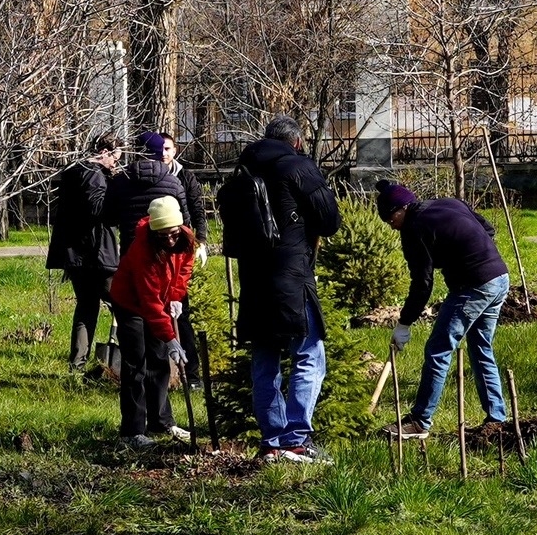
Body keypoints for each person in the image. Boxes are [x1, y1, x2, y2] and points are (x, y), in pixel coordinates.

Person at [218, 115, 342, 463]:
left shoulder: (238, 176)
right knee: (308, 354)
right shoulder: (297, 167)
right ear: (297, 142)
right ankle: (295, 440)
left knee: (264, 360)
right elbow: (329, 221)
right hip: (292, 278)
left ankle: (272, 441)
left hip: (253, 281)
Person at [374, 180, 511, 440]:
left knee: (438, 350)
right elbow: (488, 229)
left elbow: (422, 283)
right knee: (481, 349)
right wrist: (462, 253)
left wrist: (404, 323)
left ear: (402, 208)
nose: (389, 224)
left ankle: (419, 421)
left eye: (390, 217)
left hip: (473, 286)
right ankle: (497, 418)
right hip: (500, 277)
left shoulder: (414, 228)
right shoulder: (450, 203)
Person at [109, 195, 198, 446]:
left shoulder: (186, 240)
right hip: (130, 303)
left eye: (173, 234)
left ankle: (161, 422)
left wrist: (177, 296)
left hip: (159, 303)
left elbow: (184, 270)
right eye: (163, 236)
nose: (169, 240)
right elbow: (149, 302)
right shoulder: (143, 250)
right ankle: (132, 432)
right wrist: (170, 338)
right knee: (136, 363)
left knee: (158, 362)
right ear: (153, 232)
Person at [47, 133, 123, 371]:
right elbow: (100, 211)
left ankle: (77, 364)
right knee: (124, 304)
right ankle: (133, 360)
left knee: (86, 307)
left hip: (75, 255)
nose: (115, 165)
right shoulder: (94, 176)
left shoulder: (72, 173)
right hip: (96, 255)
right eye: (114, 159)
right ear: (103, 153)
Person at [102, 130, 210, 253]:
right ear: (159, 152)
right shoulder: (174, 183)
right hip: (165, 249)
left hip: (132, 251)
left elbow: (109, 218)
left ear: (136, 152)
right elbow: (183, 222)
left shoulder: (119, 182)